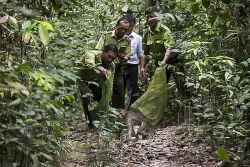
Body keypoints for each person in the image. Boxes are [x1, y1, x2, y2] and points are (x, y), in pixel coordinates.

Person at [140, 6, 189, 97]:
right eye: (147, 17)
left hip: (174, 61)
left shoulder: (165, 30)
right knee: (158, 87)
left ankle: (187, 108)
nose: (149, 19)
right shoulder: (146, 34)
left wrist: (164, 61)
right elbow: (145, 52)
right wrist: (143, 67)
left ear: (158, 17)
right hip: (159, 63)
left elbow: (169, 48)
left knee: (181, 85)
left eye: (151, 16)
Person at [78, 44, 118, 128]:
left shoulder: (111, 65)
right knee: (87, 96)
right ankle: (88, 122)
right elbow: (89, 64)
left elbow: (109, 80)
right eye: (109, 56)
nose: (110, 59)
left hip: (94, 81)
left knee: (101, 95)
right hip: (80, 78)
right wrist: (100, 69)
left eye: (113, 58)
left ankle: (97, 122)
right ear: (103, 52)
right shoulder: (92, 54)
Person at [95, 17, 131, 109]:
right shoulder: (106, 36)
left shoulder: (126, 41)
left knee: (119, 93)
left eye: (125, 30)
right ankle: (101, 113)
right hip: (104, 67)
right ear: (116, 26)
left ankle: (118, 118)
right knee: (101, 90)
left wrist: (122, 57)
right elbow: (98, 50)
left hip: (117, 69)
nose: (123, 31)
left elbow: (127, 57)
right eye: (121, 28)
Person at [121, 14, 143, 110]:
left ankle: (130, 113)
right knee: (119, 91)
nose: (129, 28)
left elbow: (140, 54)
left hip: (132, 67)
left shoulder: (138, 38)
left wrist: (142, 68)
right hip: (120, 67)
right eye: (128, 26)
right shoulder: (118, 36)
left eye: (132, 26)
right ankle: (119, 114)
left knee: (133, 91)